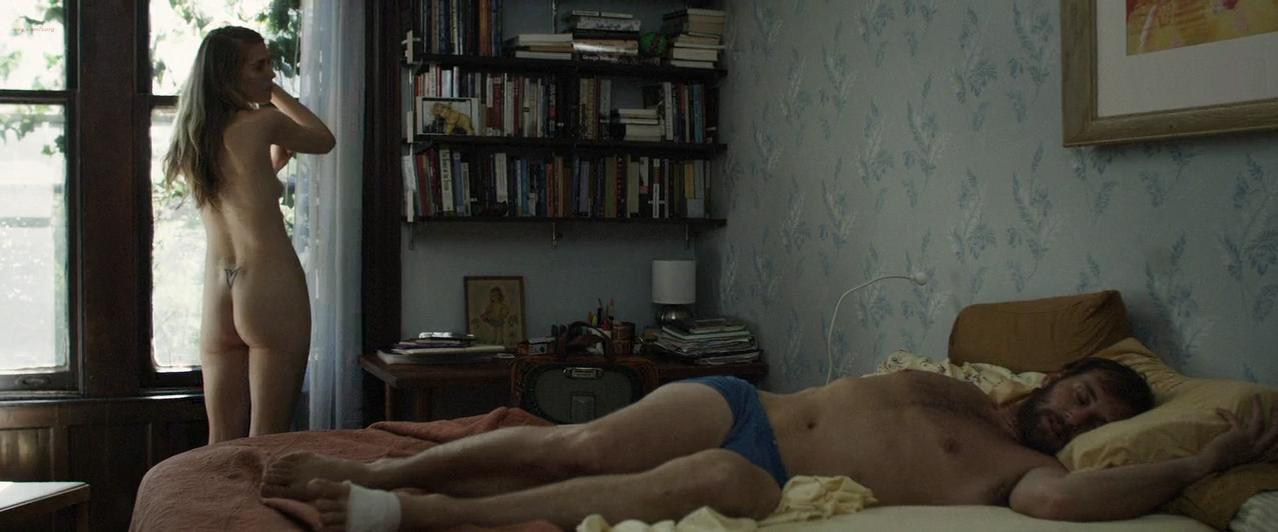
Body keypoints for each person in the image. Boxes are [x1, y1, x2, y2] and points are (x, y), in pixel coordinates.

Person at [260, 358, 1278, 530]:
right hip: (740, 400)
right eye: (1081, 396)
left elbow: (1068, 502)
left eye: (1097, 423)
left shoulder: (1029, 474)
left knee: (701, 480)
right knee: (577, 443)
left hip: (770, 473)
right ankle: (375, 469)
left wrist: (1199, 462)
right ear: (1053, 380)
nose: (1078, 418)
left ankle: (419, 513)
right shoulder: (959, 383)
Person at [163, 26, 335, 444]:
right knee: (266, 441)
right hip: (267, 282)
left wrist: (271, 165)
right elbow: (323, 139)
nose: (270, 74)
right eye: (259, 67)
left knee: (220, 442)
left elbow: (239, 193)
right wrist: (276, 95)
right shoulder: (263, 121)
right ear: (228, 76)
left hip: (219, 289)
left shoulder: (193, 136)